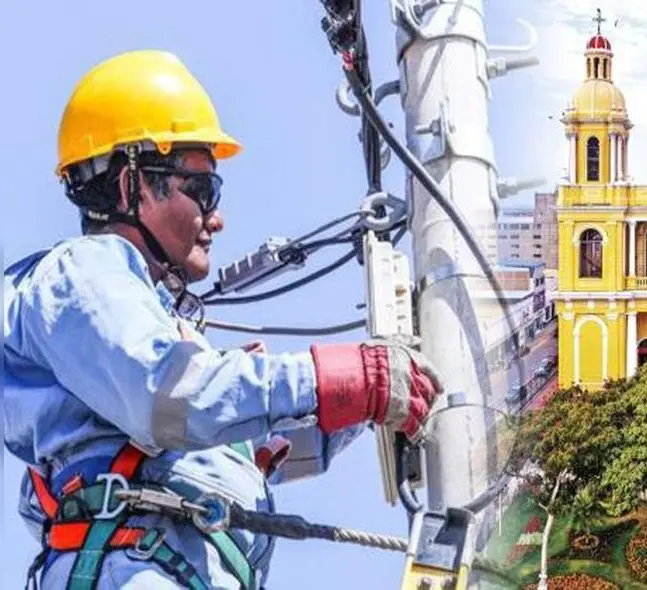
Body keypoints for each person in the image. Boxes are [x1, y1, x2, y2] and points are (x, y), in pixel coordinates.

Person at [4, 50, 445, 589]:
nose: (216, 218)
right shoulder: (82, 273)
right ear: (132, 185)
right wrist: (327, 378)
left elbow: (269, 435)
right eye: (203, 190)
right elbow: (167, 394)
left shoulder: (153, 340)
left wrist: (383, 380)